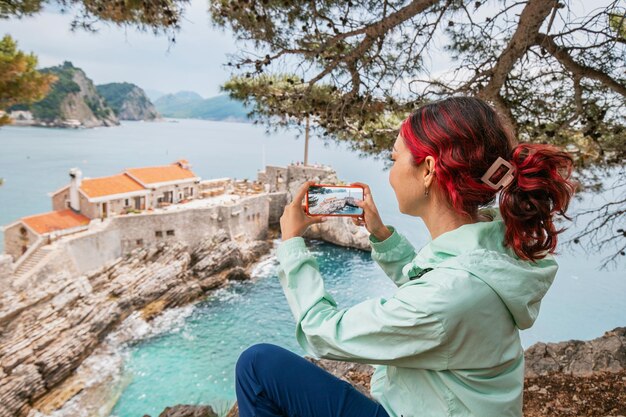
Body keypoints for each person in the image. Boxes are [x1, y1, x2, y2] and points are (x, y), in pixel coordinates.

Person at [234, 96, 578, 417]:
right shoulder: (494, 239)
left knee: (257, 366)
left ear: (428, 169)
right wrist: (381, 235)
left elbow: (321, 332)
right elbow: (438, 295)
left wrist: (292, 243)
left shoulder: (454, 292)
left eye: (394, 158)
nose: (391, 172)